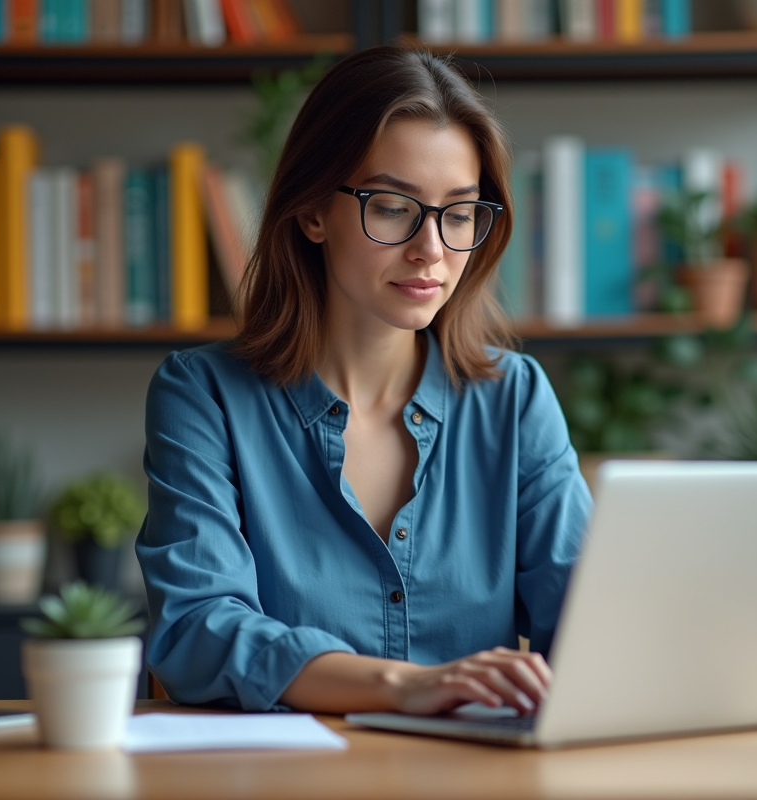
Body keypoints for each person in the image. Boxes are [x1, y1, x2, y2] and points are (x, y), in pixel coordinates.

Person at [136, 45, 592, 717]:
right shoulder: (204, 395)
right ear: (314, 211)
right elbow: (197, 628)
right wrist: (405, 685)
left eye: (458, 213)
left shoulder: (513, 399)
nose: (431, 250)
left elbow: (584, 626)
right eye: (392, 207)